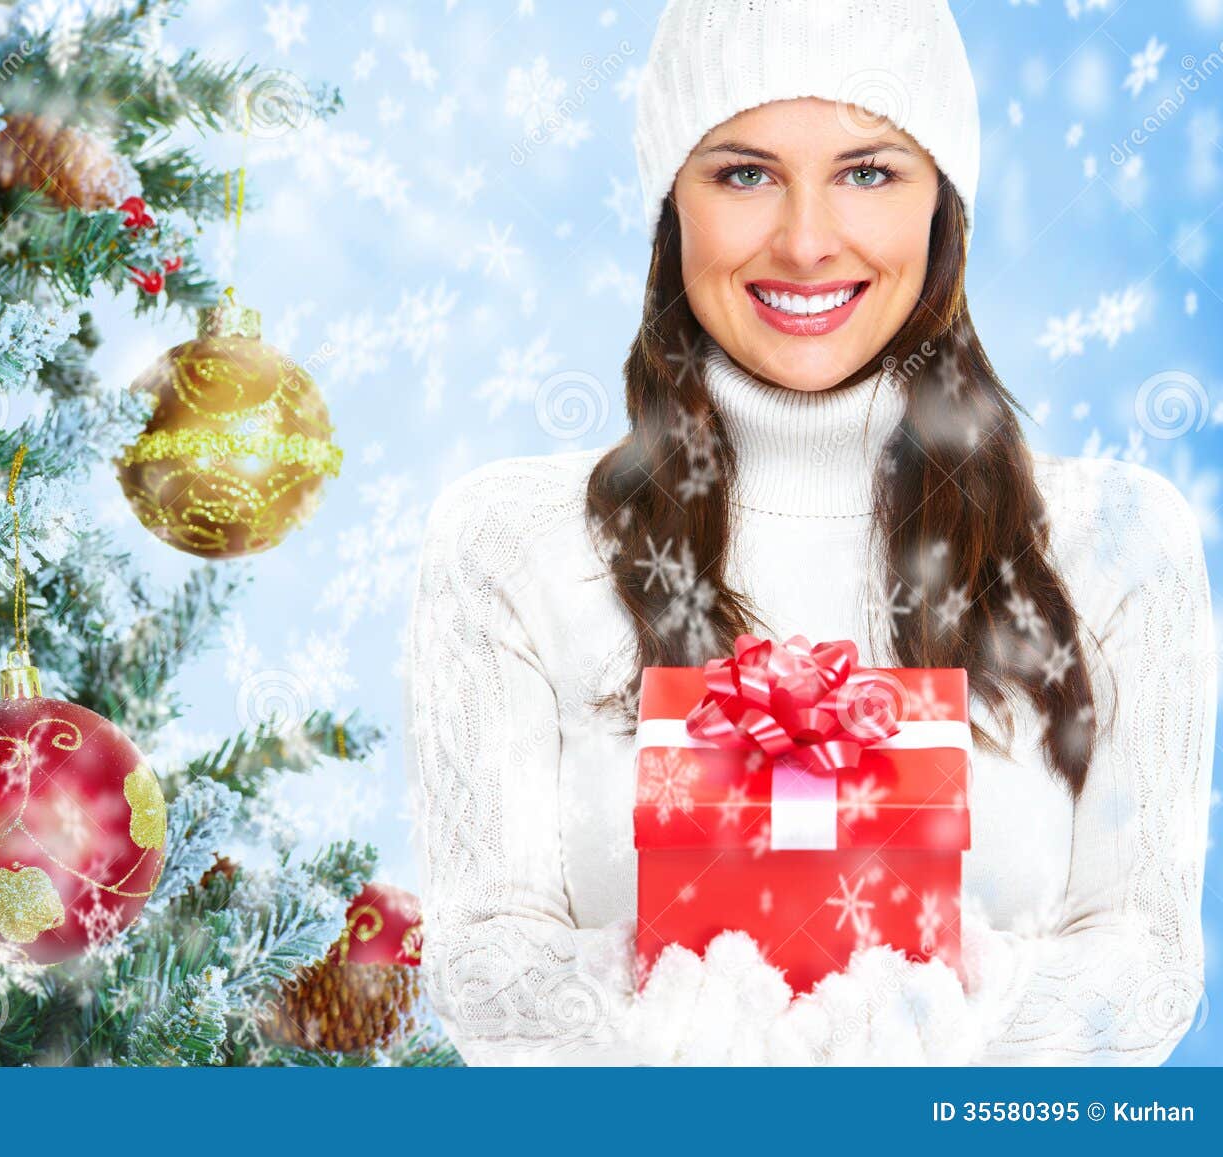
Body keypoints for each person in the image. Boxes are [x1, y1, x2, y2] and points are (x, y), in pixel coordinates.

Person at [403, 0, 1216, 1065]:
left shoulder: (1115, 544)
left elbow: (1147, 967)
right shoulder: (506, 543)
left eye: (868, 171)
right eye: (743, 173)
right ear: (669, 204)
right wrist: (683, 1026)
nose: (803, 240)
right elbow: (483, 966)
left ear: (943, 205)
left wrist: (927, 1028)